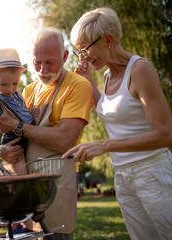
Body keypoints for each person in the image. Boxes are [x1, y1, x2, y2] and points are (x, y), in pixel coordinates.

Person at [64, 7, 172, 240]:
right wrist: (89, 81)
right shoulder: (106, 76)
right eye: (78, 51)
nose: (82, 57)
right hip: (123, 176)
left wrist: (104, 146)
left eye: (85, 49)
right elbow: (108, 111)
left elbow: (165, 134)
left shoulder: (140, 70)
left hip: (152, 172)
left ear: (108, 40)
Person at [0, 27, 93, 239]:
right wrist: (4, 151)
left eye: (50, 62)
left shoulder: (78, 86)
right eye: (36, 62)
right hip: (27, 186)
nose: (42, 69)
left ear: (65, 56)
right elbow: (12, 135)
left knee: (55, 234)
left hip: (57, 187)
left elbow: (65, 140)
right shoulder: (27, 91)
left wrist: (18, 126)